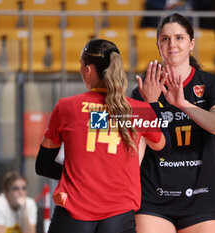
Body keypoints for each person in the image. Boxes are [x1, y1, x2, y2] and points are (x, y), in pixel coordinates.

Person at [35, 39, 171, 233]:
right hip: (119, 214)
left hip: (74, 211)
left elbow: (43, 165)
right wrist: (153, 104)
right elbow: (164, 148)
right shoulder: (140, 110)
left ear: (88, 70)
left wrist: (81, 174)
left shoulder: (67, 107)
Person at [131, 13, 215, 233]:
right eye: (165, 39)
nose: (172, 44)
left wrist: (183, 104)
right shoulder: (144, 89)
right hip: (153, 197)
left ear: (191, 43)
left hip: (202, 196)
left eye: (179, 38)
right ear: (158, 45)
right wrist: (150, 105)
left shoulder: (210, 83)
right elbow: (136, 149)